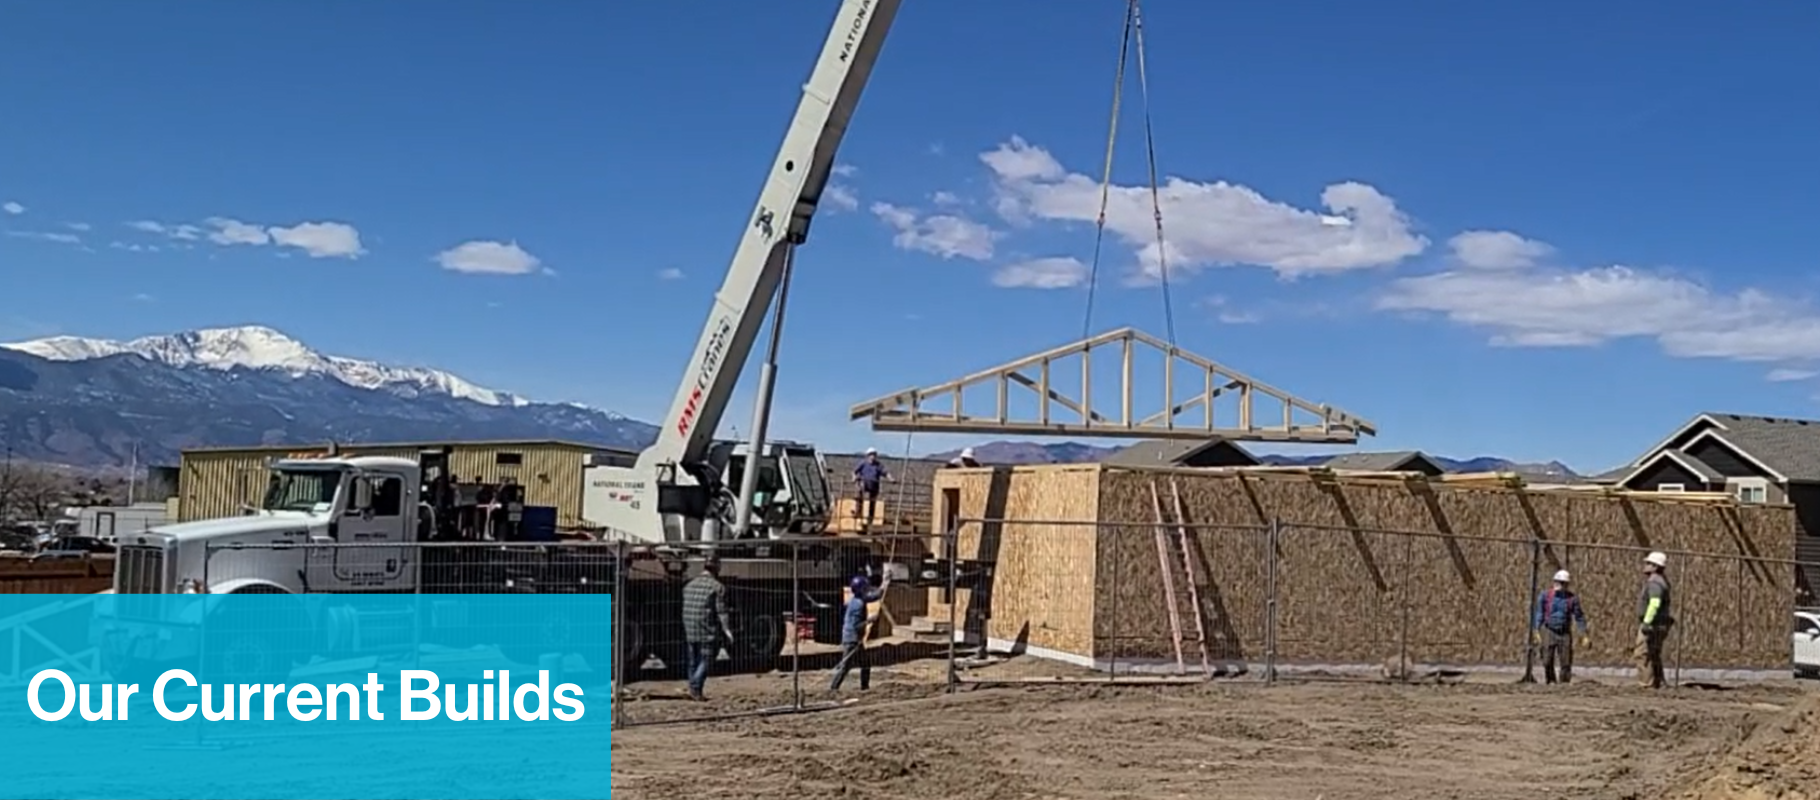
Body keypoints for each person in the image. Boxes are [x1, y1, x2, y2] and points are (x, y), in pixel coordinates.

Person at [680, 556, 735, 701]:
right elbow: (721, 612)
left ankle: (693, 689)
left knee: (693, 660)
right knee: (707, 658)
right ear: (717, 568)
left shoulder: (689, 585)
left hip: (690, 628)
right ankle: (695, 687)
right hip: (707, 630)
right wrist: (727, 631)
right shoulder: (717, 587)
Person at [829, 573, 891, 693]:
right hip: (852, 639)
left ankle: (864, 687)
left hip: (854, 639)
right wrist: (870, 620)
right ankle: (833, 688)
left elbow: (875, 596)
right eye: (866, 588)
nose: (868, 589)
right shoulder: (858, 605)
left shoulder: (857, 599)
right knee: (845, 666)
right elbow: (856, 626)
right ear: (862, 589)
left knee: (865, 663)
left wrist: (885, 582)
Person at [1531, 569, 1589, 684]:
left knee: (1566, 661)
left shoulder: (1572, 599)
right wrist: (1536, 629)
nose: (1559, 584)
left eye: (1562, 582)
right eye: (1557, 581)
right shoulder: (1545, 596)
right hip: (1549, 630)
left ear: (1566, 584)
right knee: (1547, 659)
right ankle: (1551, 680)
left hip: (1564, 632)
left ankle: (1564, 683)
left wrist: (1583, 634)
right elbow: (1540, 613)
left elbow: (1579, 617)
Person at [1633, 551, 1674, 689]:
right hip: (1660, 623)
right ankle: (1659, 682)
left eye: (1649, 563)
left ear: (1656, 567)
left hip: (1653, 624)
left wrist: (1647, 622)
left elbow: (1654, 603)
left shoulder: (1655, 583)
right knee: (1654, 652)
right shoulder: (1660, 582)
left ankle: (1646, 683)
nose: (1645, 565)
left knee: (1642, 653)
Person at [852, 448, 893, 525]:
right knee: (859, 494)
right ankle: (858, 512)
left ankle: (870, 518)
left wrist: (891, 479)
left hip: (874, 485)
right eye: (871, 455)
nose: (873, 457)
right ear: (867, 456)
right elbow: (854, 471)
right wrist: (854, 477)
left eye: (874, 455)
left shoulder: (878, 465)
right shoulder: (863, 464)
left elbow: (885, 473)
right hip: (864, 483)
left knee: (872, 502)